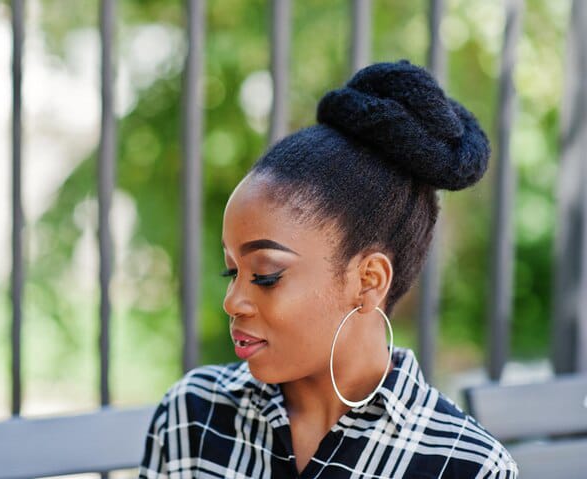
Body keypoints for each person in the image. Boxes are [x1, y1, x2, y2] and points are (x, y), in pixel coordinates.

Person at [138, 60, 518, 478]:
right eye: (233, 272)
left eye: (265, 275)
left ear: (368, 281)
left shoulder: (468, 466)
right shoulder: (192, 417)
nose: (233, 302)